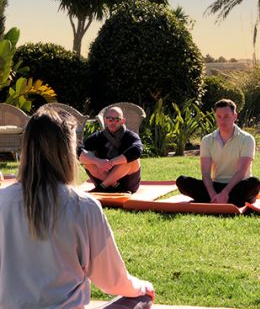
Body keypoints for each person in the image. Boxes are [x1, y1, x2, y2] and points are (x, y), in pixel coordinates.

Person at [0, 107, 155, 308]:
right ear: (67, 151)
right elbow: (113, 281)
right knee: (139, 298)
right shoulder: (82, 206)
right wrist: (143, 288)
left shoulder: (3, 201)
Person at [176, 99, 260, 207]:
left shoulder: (247, 139)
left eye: (226, 116)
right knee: (182, 181)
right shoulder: (207, 140)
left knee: (254, 183)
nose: (222, 120)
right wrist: (212, 194)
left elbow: (241, 171)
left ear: (235, 116)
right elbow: (206, 173)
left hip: (238, 185)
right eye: (219, 116)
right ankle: (220, 200)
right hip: (216, 186)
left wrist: (225, 193)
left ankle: (216, 199)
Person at [79, 106, 142, 193]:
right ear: (105, 120)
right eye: (109, 119)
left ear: (123, 121)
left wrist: (112, 163)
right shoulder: (96, 137)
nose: (113, 122)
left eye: (117, 119)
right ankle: (115, 187)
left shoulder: (130, 136)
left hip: (127, 184)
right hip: (103, 176)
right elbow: (78, 151)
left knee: (133, 160)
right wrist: (98, 162)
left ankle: (102, 187)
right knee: (86, 158)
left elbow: (137, 150)